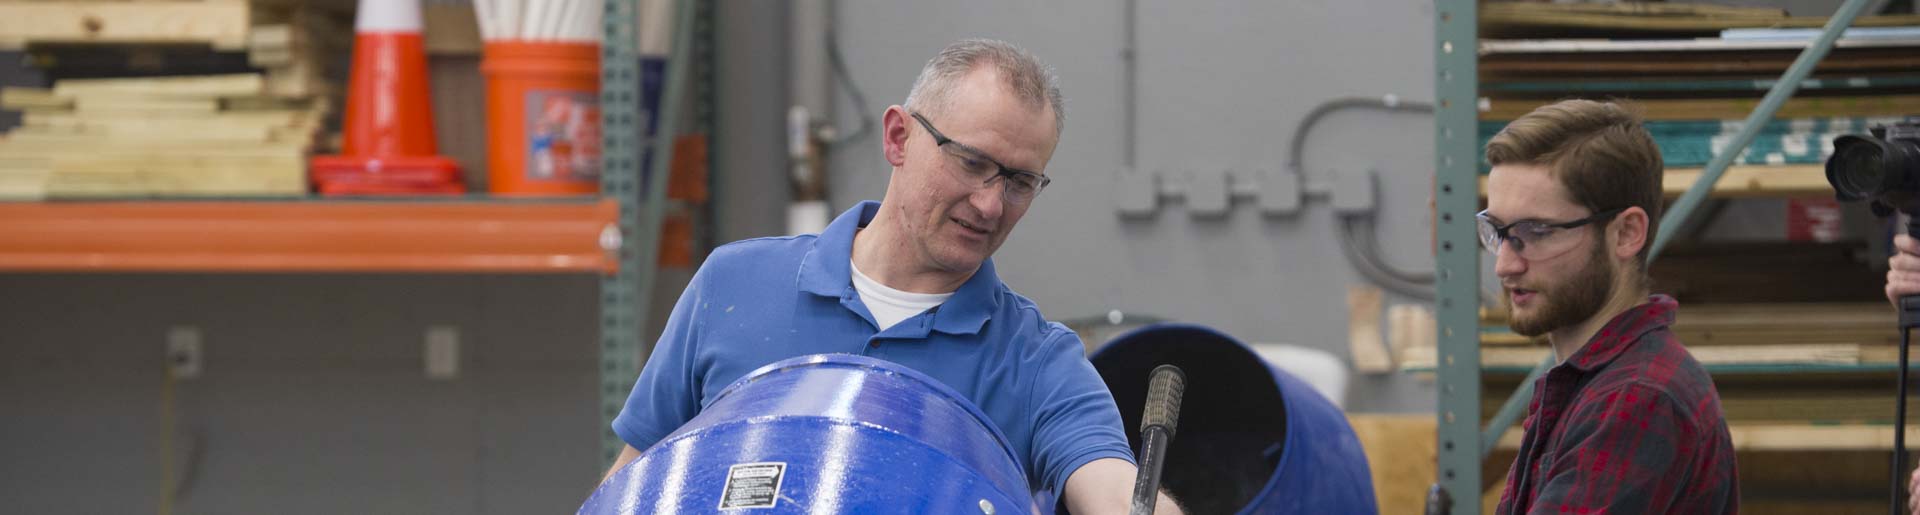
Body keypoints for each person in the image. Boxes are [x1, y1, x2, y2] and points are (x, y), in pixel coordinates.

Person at [598, 39, 1182, 513]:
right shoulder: (733, 286)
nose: (989, 204)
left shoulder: (1034, 360)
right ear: (899, 137)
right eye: (972, 162)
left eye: (1020, 181)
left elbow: (1107, 481)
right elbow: (634, 481)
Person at [1480, 99, 1738, 514]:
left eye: (1536, 232)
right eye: (1497, 231)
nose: (1505, 264)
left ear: (1625, 233)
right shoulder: (1594, 384)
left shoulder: (1637, 399)